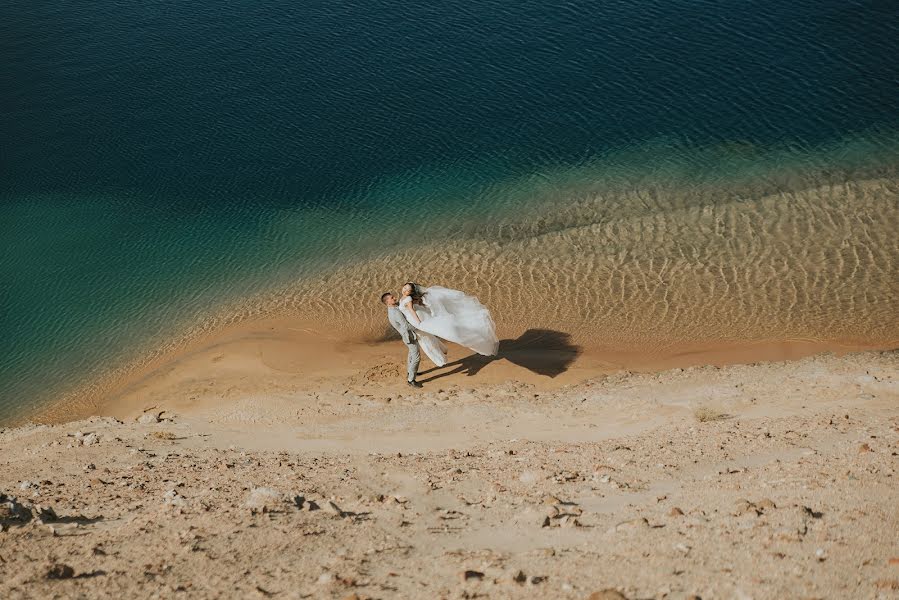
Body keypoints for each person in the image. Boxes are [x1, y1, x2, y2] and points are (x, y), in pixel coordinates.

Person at [397, 282, 499, 367]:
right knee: (432, 335)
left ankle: (443, 355)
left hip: (417, 320)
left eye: (407, 290)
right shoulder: (404, 298)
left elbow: (411, 310)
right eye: (404, 288)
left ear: (411, 293)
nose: (404, 290)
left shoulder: (408, 299)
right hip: (418, 319)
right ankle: (442, 352)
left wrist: (418, 322)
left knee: (442, 333)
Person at [381, 291, 423, 388]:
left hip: (407, 335)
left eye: (393, 297)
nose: (395, 298)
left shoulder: (395, 307)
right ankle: (411, 380)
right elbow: (406, 326)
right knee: (416, 357)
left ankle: (410, 372)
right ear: (387, 302)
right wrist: (419, 326)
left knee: (411, 354)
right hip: (409, 336)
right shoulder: (394, 312)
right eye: (392, 298)